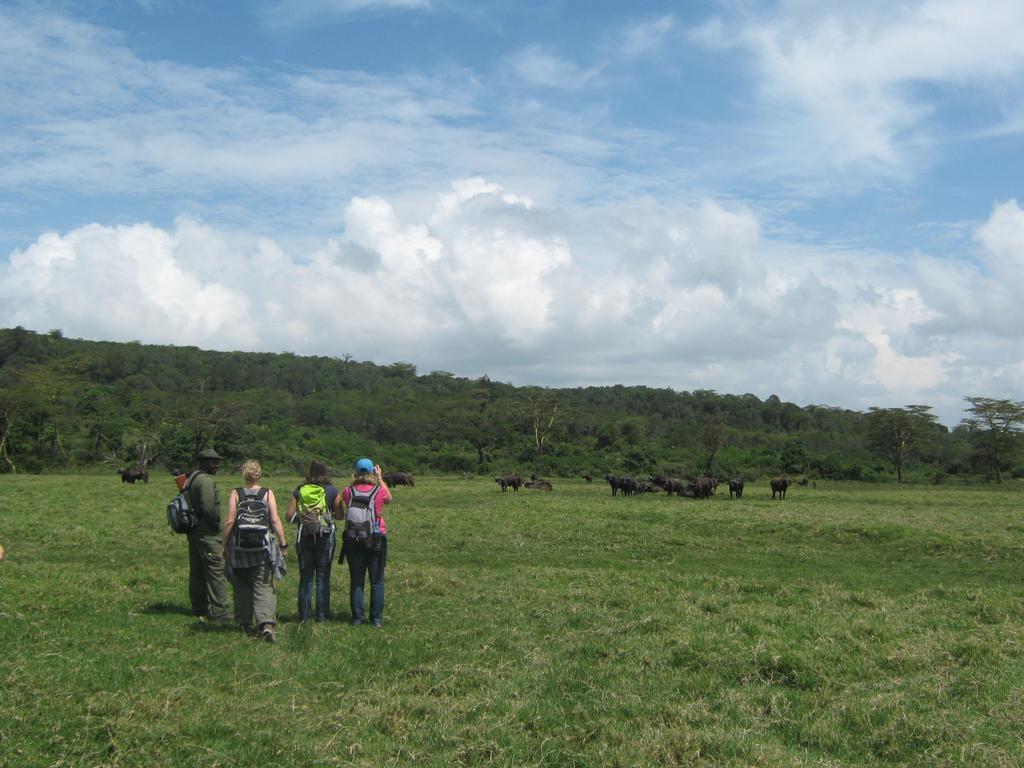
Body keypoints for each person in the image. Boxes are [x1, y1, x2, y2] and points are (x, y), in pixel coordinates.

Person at [221, 460, 288, 642]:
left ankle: (244, 623)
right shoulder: (267, 493)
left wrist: (223, 545)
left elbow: (229, 522)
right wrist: (283, 544)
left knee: (242, 585)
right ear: (259, 474)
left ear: (244, 474)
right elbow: (274, 520)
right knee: (264, 585)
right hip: (262, 547)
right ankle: (266, 624)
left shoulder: (236, 493)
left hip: (239, 547)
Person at [286, 460, 341, 623]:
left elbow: (289, 516)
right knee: (323, 577)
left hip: (304, 537)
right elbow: (339, 515)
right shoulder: (332, 490)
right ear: (326, 472)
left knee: (306, 577)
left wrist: (304, 519)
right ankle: (322, 616)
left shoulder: (299, 490)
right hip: (325, 537)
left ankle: (305, 616)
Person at [340, 457, 391, 627]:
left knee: (357, 580)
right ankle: (376, 619)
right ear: (372, 471)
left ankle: (357, 618)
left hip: (353, 538)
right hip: (376, 538)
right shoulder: (379, 490)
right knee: (376, 580)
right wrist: (380, 477)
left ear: (356, 471)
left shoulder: (348, 491)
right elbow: (389, 498)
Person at [187, 447, 231, 623]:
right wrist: (217, 525)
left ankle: (199, 607)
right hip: (208, 534)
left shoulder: (192, 478)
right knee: (215, 571)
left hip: (195, 532)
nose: (217, 465)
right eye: (213, 462)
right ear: (204, 462)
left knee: (197, 572)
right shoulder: (205, 481)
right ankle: (221, 612)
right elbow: (208, 507)